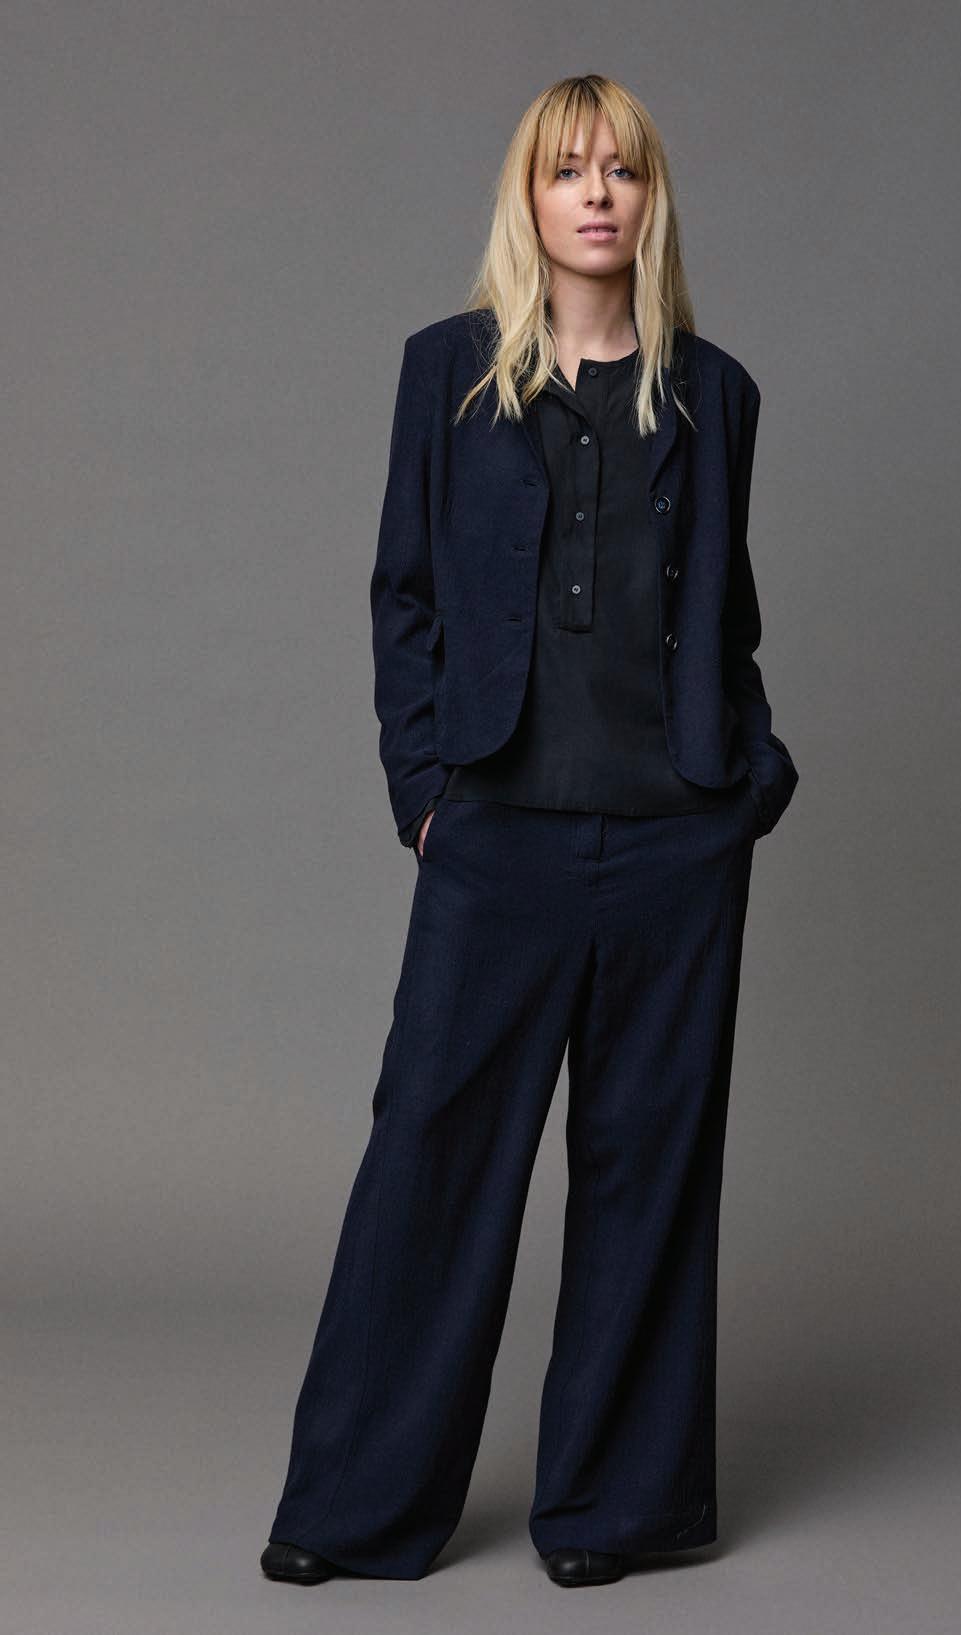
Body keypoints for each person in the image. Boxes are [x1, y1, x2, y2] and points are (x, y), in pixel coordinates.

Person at [260, 72, 799, 1591]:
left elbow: (728, 618)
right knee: (431, 1162)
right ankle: (356, 1509)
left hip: (675, 845)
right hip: (495, 834)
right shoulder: (447, 375)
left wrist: (746, 782)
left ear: (651, 197)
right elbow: (405, 598)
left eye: (622, 170)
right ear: (531, 198)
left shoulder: (716, 394)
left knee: (647, 1172)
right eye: (569, 170)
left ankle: (615, 1511)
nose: (597, 195)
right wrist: (423, 793)